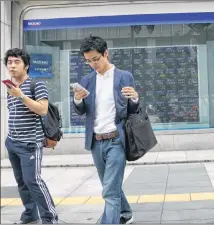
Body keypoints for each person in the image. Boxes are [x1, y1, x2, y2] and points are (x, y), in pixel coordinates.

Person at [72, 36, 139, 224]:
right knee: (109, 184)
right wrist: (77, 99)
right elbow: (81, 110)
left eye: (96, 59)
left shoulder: (124, 76)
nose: (93, 64)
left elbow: (132, 110)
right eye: (88, 61)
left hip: (116, 139)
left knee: (109, 191)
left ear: (105, 53)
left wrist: (134, 98)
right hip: (95, 141)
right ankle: (125, 212)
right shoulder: (86, 80)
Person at [3, 48, 58, 224]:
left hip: (30, 143)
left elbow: (42, 109)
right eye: (9, 62)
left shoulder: (37, 84)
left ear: (26, 65)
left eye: (16, 62)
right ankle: (30, 214)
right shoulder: (10, 87)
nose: (12, 66)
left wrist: (21, 96)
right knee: (21, 182)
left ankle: (50, 218)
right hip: (12, 142)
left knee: (33, 180)